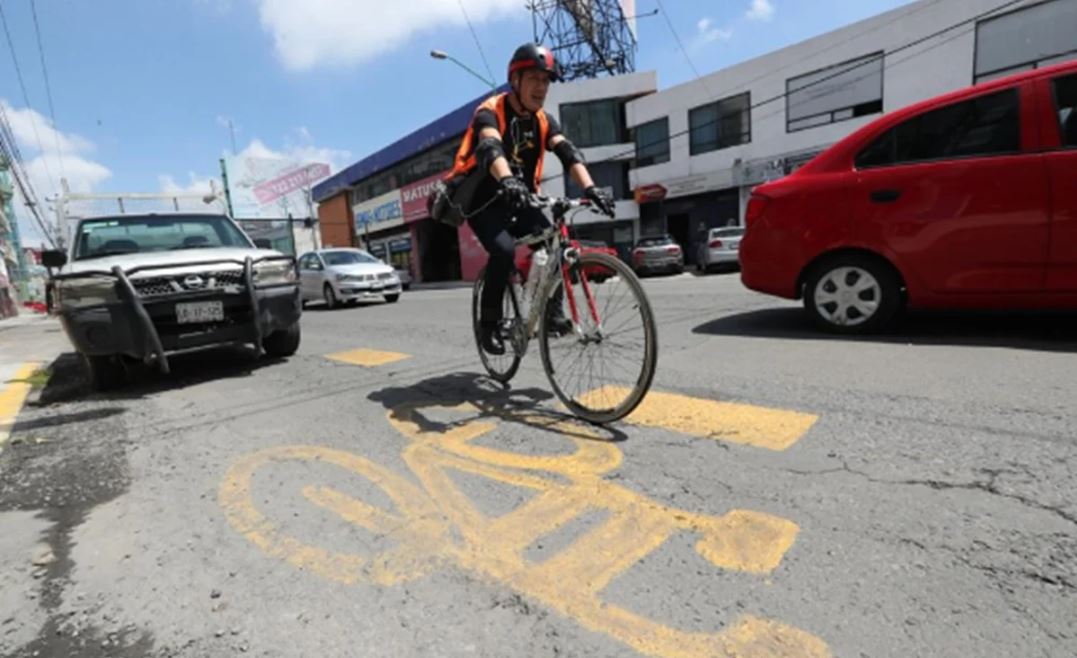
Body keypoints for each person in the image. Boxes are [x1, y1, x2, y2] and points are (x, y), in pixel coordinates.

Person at [446, 43, 615, 355]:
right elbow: (490, 148)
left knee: (554, 245)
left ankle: (551, 314)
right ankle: (489, 324)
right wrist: (507, 178)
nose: (541, 87)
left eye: (546, 80)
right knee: (504, 251)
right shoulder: (490, 111)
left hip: (520, 198)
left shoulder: (544, 121)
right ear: (516, 80)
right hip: (484, 200)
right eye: (534, 79)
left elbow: (567, 152)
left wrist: (591, 188)